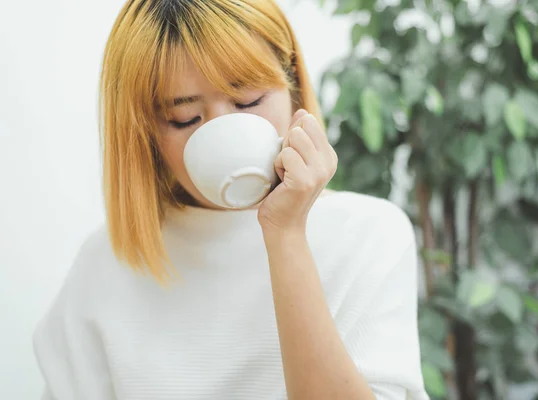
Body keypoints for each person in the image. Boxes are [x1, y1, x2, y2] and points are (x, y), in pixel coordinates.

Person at [32, 1, 429, 399]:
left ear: (291, 86)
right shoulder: (107, 264)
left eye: (249, 101)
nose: (224, 131)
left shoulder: (368, 236)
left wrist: (286, 234)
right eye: (185, 119)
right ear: (147, 133)